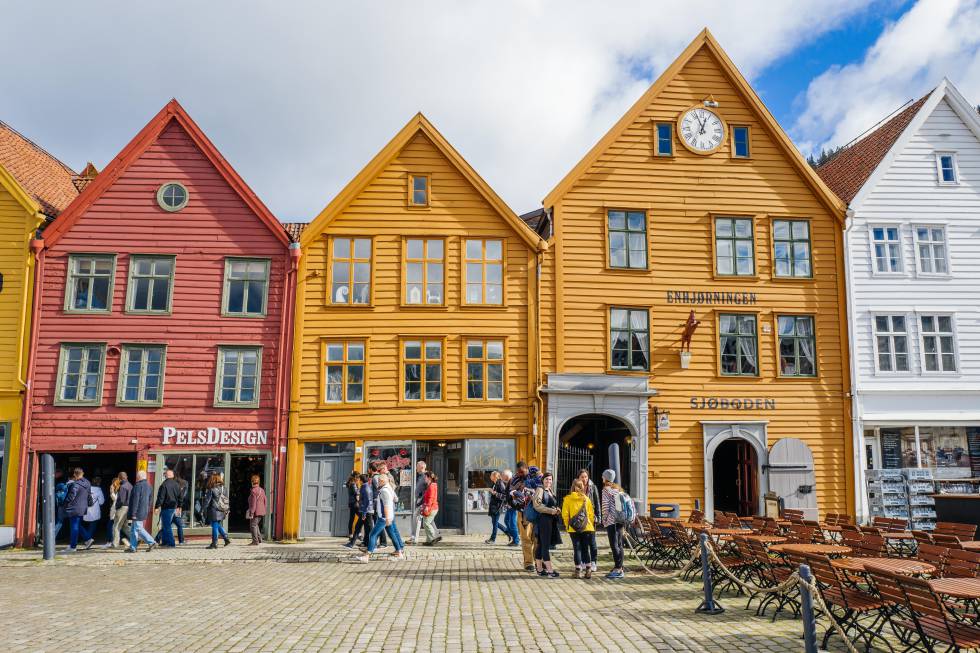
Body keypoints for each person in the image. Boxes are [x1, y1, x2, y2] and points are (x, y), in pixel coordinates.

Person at [355, 474, 405, 562]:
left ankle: (367, 556)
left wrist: (387, 518)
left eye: (378, 481)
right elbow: (395, 499)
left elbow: (386, 505)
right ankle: (399, 552)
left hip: (384, 517)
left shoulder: (384, 491)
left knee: (373, 534)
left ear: (382, 481)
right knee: (392, 534)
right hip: (389, 516)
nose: (377, 482)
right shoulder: (389, 488)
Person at [562, 479, 596, 579]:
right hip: (587, 527)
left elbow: (565, 515)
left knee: (577, 548)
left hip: (574, 528)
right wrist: (589, 524)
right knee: (585, 548)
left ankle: (577, 571)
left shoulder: (568, 499)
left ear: (573, 487)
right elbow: (591, 514)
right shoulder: (586, 499)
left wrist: (567, 526)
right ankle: (588, 570)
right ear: (582, 487)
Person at [531, 471, 561, 577]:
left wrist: (557, 509)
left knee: (541, 545)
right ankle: (550, 571)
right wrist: (551, 511)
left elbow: (550, 504)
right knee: (545, 546)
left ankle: (539, 569)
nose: (548, 481)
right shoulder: (540, 489)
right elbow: (537, 506)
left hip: (550, 521)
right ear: (542, 480)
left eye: (550, 479)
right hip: (543, 521)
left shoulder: (550, 490)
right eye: (546, 479)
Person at [600, 469, 626, 579]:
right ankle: (619, 566)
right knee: (619, 545)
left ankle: (618, 570)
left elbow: (605, 507)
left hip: (611, 521)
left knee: (614, 545)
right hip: (620, 520)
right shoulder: (617, 489)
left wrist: (604, 520)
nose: (602, 477)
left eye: (603, 476)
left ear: (605, 478)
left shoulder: (606, 490)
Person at [508, 463, 535, 570]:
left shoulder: (535, 476)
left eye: (522, 472)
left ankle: (538, 561)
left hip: (537, 512)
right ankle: (529, 563)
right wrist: (517, 504)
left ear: (527, 469)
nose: (520, 474)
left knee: (537, 539)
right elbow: (510, 494)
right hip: (523, 512)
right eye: (518, 472)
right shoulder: (515, 480)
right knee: (526, 538)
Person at [60, 468, 92, 553]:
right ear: (83, 473)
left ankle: (73, 546)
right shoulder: (87, 482)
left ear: (74, 474)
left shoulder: (75, 484)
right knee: (77, 525)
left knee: (74, 527)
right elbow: (89, 495)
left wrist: (64, 503)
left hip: (74, 508)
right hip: (83, 507)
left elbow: (71, 497)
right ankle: (88, 539)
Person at [575, 469, 601, 572]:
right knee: (582, 541)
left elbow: (597, 502)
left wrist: (598, 517)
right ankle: (583, 561)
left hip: (590, 518)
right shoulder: (576, 487)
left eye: (586, 477)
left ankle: (593, 562)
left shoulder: (593, 487)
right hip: (580, 518)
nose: (584, 479)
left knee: (592, 541)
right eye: (582, 477)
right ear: (578, 478)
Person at [127, 470, 156, 553]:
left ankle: (151, 542)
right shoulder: (149, 486)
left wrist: (133, 513)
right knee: (133, 529)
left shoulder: (138, 486)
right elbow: (150, 500)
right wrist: (147, 509)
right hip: (143, 510)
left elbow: (135, 500)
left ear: (139, 477)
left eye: (137, 476)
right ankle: (133, 547)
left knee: (138, 528)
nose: (136, 478)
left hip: (137, 511)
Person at [203, 472, 231, 549]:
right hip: (222, 509)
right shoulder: (224, 488)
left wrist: (203, 509)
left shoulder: (212, 489)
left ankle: (214, 543)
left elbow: (207, 501)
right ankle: (226, 538)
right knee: (217, 525)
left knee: (215, 526)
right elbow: (226, 499)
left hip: (214, 510)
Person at [345, 473, 373, 548]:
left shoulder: (365, 487)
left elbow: (367, 501)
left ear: (361, 480)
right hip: (363, 510)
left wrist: (364, 513)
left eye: (359, 479)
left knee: (369, 528)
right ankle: (354, 543)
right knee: (361, 527)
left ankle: (371, 544)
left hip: (366, 511)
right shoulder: (365, 487)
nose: (358, 480)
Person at [154, 469, 180, 548]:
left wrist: (157, 506)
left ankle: (171, 543)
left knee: (167, 526)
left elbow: (161, 497)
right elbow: (180, 497)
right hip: (174, 507)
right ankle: (165, 542)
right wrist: (179, 506)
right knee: (165, 526)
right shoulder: (176, 484)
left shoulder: (164, 484)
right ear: (172, 476)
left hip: (166, 507)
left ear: (166, 476)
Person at [105, 472, 132, 549]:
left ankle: (115, 544)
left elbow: (121, 500)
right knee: (125, 527)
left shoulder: (122, 487)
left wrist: (117, 507)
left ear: (119, 478)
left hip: (122, 508)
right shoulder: (130, 485)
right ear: (126, 477)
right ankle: (137, 538)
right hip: (128, 507)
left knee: (116, 526)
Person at [485, 471, 510, 544]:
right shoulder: (495, 483)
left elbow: (504, 496)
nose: (490, 477)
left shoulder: (500, 483)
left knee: (495, 523)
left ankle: (493, 539)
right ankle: (507, 532)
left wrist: (494, 493)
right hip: (494, 506)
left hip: (497, 507)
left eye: (491, 475)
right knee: (494, 522)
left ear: (495, 476)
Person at [81, 475, 104, 549]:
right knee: (92, 525)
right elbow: (101, 502)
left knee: (83, 525)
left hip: (85, 510)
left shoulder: (86, 488)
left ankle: (86, 539)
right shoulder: (99, 490)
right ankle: (88, 539)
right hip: (95, 511)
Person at [420, 471, 441, 545]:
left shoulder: (432, 486)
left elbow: (431, 498)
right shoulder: (431, 485)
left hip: (432, 508)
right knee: (427, 523)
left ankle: (433, 537)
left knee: (426, 523)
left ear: (429, 478)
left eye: (425, 477)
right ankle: (429, 541)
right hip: (431, 507)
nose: (424, 478)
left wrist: (427, 507)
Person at [500, 469, 520, 548]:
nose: (502, 477)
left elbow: (515, 494)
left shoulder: (512, 482)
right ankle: (512, 535)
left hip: (513, 506)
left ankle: (516, 540)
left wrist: (513, 502)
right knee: (507, 520)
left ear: (506, 476)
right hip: (509, 506)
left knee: (512, 523)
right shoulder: (509, 482)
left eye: (502, 475)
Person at [246, 474, 267, 545]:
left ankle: (255, 541)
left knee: (253, 526)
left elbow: (253, 503)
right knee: (256, 525)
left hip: (255, 512)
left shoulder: (253, 491)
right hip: (261, 511)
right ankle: (259, 539)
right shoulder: (262, 490)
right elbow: (265, 500)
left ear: (252, 482)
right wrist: (264, 509)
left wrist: (251, 512)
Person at [344, 471, 360, 540]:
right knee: (362, 517)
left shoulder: (350, 483)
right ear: (355, 477)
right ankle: (358, 533)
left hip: (351, 503)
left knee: (352, 518)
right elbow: (357, 493)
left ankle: (351, 534)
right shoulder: (353, 484)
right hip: (355, 503)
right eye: (358, 477)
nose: (359, 479)